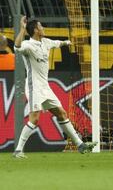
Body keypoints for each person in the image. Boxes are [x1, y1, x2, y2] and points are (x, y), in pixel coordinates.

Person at [13, 16, 97, 158]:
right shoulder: (28, 45)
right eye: (41, 27)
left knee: (61, 113)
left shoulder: (46, 42)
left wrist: (68, 42)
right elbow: (17, 47)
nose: (43, 28)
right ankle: (18, 150)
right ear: (35, 30)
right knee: (34, 119)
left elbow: (58, 43)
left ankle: (80, 145)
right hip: (34, 87)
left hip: (45, 87)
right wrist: (22, 29)